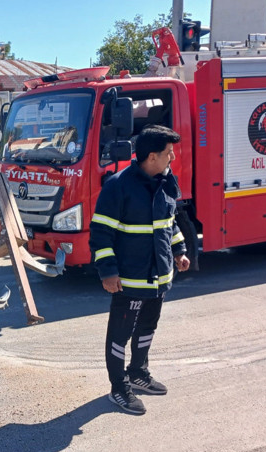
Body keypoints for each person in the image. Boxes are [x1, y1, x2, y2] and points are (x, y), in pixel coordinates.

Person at [88, 125, 191, 415]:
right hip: (129, 280)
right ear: (152, 156)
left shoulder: (166, 182)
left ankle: (137, 373)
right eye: (168, 153)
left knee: (147, 328)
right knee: (119, 336)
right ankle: (119, 387)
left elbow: (169, 223)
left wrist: (179, 251)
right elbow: (101, 233)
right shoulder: (118, 186)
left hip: (158, 279)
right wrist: (108, 272)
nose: (172, 158)